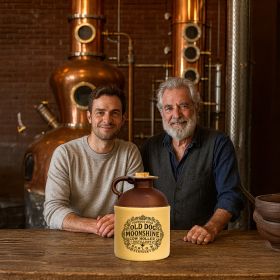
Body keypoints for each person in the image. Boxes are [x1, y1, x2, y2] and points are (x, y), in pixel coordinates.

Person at [141, 77, 244, 245]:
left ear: (196, 107)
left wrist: (211, 227)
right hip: (158, 242)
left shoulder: (218, 143)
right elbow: (139, 195)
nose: (176, 115)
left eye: (183, 106)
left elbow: (230, 195)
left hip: (205, 243)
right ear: (161, 113)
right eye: (168, 108)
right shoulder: (149, 148)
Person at [44, 85, 143, 237]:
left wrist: (122, 219)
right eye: (100, 112)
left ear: (123, 119)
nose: (107, 119)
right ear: (89, 117)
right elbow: (52, 211)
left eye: (114, 113)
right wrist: (98, 226)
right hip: (70, 240)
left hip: (115, 238)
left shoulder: (130, 152)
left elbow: (135, 204)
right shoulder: (65, 154)